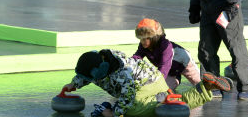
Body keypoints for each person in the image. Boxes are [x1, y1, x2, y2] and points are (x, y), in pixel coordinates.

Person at [62, 49, 232, 117]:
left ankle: (158, 103)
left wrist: (113, 113)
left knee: (136, 110)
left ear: (100, 70)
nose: (90, 80)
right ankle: (205, 88)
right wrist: (74, 83)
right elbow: (86, 73)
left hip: (144, 87)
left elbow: (128, 99)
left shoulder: (121, 74)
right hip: (156, 79)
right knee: (173, 101)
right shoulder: (101, 58)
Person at [132, 18, 201, 91]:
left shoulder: (165, 46)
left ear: (154, 37)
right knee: (163, 90)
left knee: (199, 83)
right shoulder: (143, 46)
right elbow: (137, 57)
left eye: (146, 38)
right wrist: (128, 64)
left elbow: (164, 67)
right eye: (141, 39)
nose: (143, 42)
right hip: (170, 70)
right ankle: (176, 79)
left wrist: (157, 81)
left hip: (184, 62)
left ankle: (212, 88)